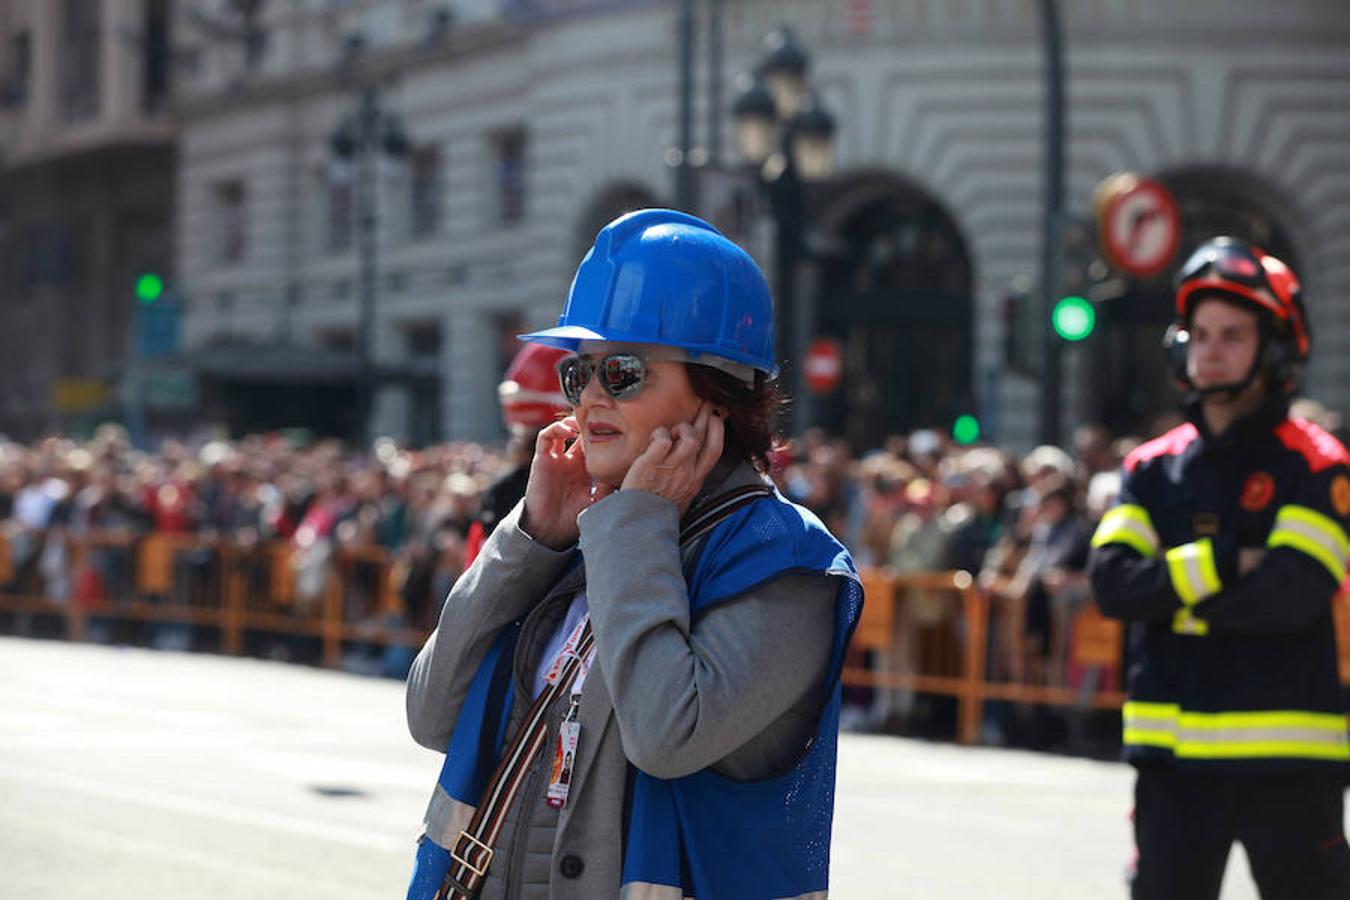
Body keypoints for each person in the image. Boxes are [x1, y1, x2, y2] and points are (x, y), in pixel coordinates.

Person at [404, 209, 863, 900]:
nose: (589, 397)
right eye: (578, 372)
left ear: (718, 393)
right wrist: (529, 539)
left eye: (622, 371)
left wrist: (635, 526)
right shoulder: (589, 531)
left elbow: (663, 733)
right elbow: (432, 713)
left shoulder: (789, 562)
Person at [1088, 236, 1350, 899]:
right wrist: (1230, 559)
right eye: (1199, 333)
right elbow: (1113, 587)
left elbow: (1289, 599)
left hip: (1290, 767)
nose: (1210, 349)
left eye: (1233, 335)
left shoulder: (1318, 465)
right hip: (1173, 771)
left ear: (1278, 347)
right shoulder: (1150, 468)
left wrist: (1171, 592)